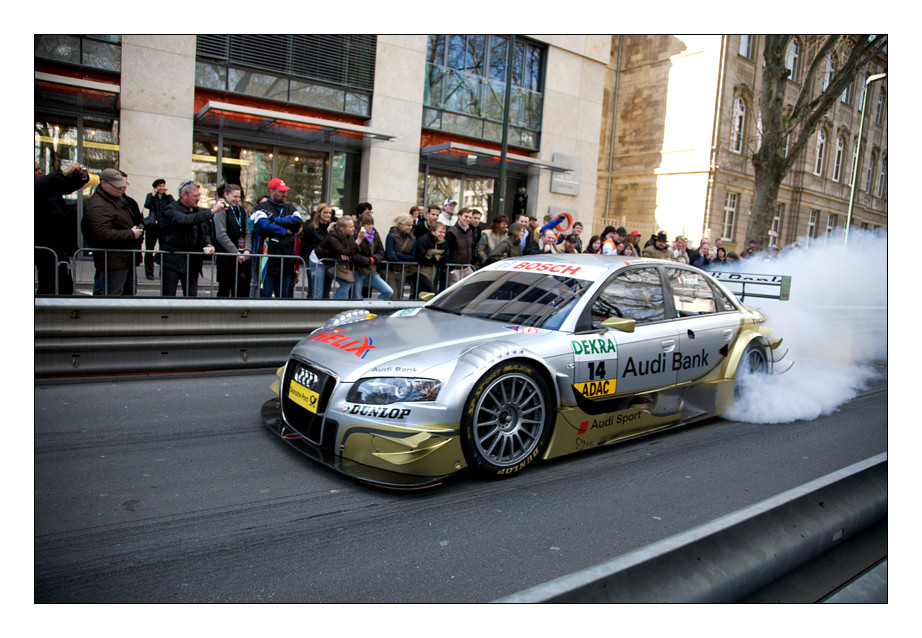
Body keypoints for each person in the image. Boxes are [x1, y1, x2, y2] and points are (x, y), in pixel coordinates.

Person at [83, 168, 144, 296]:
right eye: (117, 186)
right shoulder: (98, 205)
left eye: (122, 185)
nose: (121, 189)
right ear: (104, 183)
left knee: (128, 295)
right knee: (113, 298)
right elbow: (102, 233)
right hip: (114, 261)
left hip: (125, 258)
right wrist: (131, 234)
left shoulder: (116, 198)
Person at [35, 160, 89, 294]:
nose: (40, 171)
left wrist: (81, 176)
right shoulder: (39, 188)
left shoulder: (49, 187)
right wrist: (64, 172)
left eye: (39, 168)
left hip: (58, 246)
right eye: (35, 170)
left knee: (64, 284)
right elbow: (44, 185)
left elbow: (65, 185)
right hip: (44, 246)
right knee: (49, 285)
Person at [160, 180, 222, 296]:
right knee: (168, 296)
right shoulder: (171, 209)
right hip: (173, 261)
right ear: (184, 195)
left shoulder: (198, 211)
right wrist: (212, 210)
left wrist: (208, 244)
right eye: (195, 196)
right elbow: (185, 220)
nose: (198, 198)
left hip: (193, 263)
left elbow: (205, 231)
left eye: (199, 195)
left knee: (192, 296)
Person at [252, 178, 302, 298]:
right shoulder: (261, 207)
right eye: (281, 191)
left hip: (286, 261)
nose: (285, 194)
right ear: (271, 191)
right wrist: (285, 231)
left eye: (285, 191)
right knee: (265, 295)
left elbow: (297, 223)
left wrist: (275, 220)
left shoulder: (290, 208)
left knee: (284, 296)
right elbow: (264, 225)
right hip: (268, 261)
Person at [212, 183, 251, 297]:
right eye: (234, 196)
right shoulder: (221, 210)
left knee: (242, 288)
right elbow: (221, 235)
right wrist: (235, 252)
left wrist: (247, 250)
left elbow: (247, 232)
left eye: (239, 197)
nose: (237, 199)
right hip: (226, 256)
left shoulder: (242, 211)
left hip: (242, 255)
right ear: (226, 195)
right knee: (225, 288)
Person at [352, 212, 393, 300]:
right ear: (361, 224)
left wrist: (373, 259)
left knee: (388, 291)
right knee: (356, 298)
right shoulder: (355, 234)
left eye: (372, 224)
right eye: (367, 224)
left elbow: (381, 251)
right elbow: (353, 253)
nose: (370, 226)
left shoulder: (375, 234)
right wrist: (366, 260)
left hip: (371, 269)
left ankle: (372, 307)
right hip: (358, 270)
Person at [316, 216, 358, 299]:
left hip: (331, 262)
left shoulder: (349, 237)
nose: (354, 229)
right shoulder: (332, 237)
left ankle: (336, 305)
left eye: (353, 226)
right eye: (351, 227)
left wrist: (345, 256)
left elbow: (349, 252)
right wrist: (359, 240)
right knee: (318, 292)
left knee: (345, 283)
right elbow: (344, 251)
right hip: (319, 261)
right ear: (342, 229)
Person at [142, 178, 174, 280]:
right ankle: (149, 272)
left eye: (163, 185)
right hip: (152, 226)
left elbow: (173, 206)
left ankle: (163, 272)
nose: (161, 188)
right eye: (159, 186)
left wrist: (168, 195)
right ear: (155, 187)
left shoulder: (167, 197)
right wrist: (152, 195)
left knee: (164, 249)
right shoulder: (150, 196)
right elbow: (147, 205)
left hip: (164, 227)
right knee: (149, 249)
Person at [301, 203, 333, 298]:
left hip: (328, 261)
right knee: (315, 291)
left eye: (330, 213)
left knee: (326, 292)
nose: (328, 215)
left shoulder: (331, 229)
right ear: (319, 213)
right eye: (325, 212)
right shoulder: (311, 228)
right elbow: (304, 246)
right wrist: (316, 248)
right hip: (316, 261)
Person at [385, 214, 420, 299]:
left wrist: (398, 254)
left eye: (411, 225)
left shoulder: (412, 239)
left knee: (399, 296)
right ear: (401, 225)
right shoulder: (391, 236)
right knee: (393, 296)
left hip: (402, 270)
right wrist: (403, 258)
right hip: (390, 270)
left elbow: (412, 257)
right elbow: (389, 255)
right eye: (408, 225)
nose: (410, 227)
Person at [445, 207, 475, 285]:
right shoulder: (452, 232)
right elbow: (448, 251)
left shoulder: (470, 230)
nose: (467, 219)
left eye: (470, 217)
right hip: (455, 268)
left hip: (467, 266)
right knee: (454, 290)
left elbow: (472, 247)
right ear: (459, 216)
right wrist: (451, 269)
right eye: (465, 216)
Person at [416, 221, 447, 293]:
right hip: (422, 271)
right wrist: (435, 258)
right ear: (433, 231)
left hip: (435, 271)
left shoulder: (443, 242)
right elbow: (421, 258)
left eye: (444, 232)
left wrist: (433, 258)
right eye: (440, 232)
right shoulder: (423, 239)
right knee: (425, 289)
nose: (443, 234)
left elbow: (445, 257)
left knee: (432, 290)